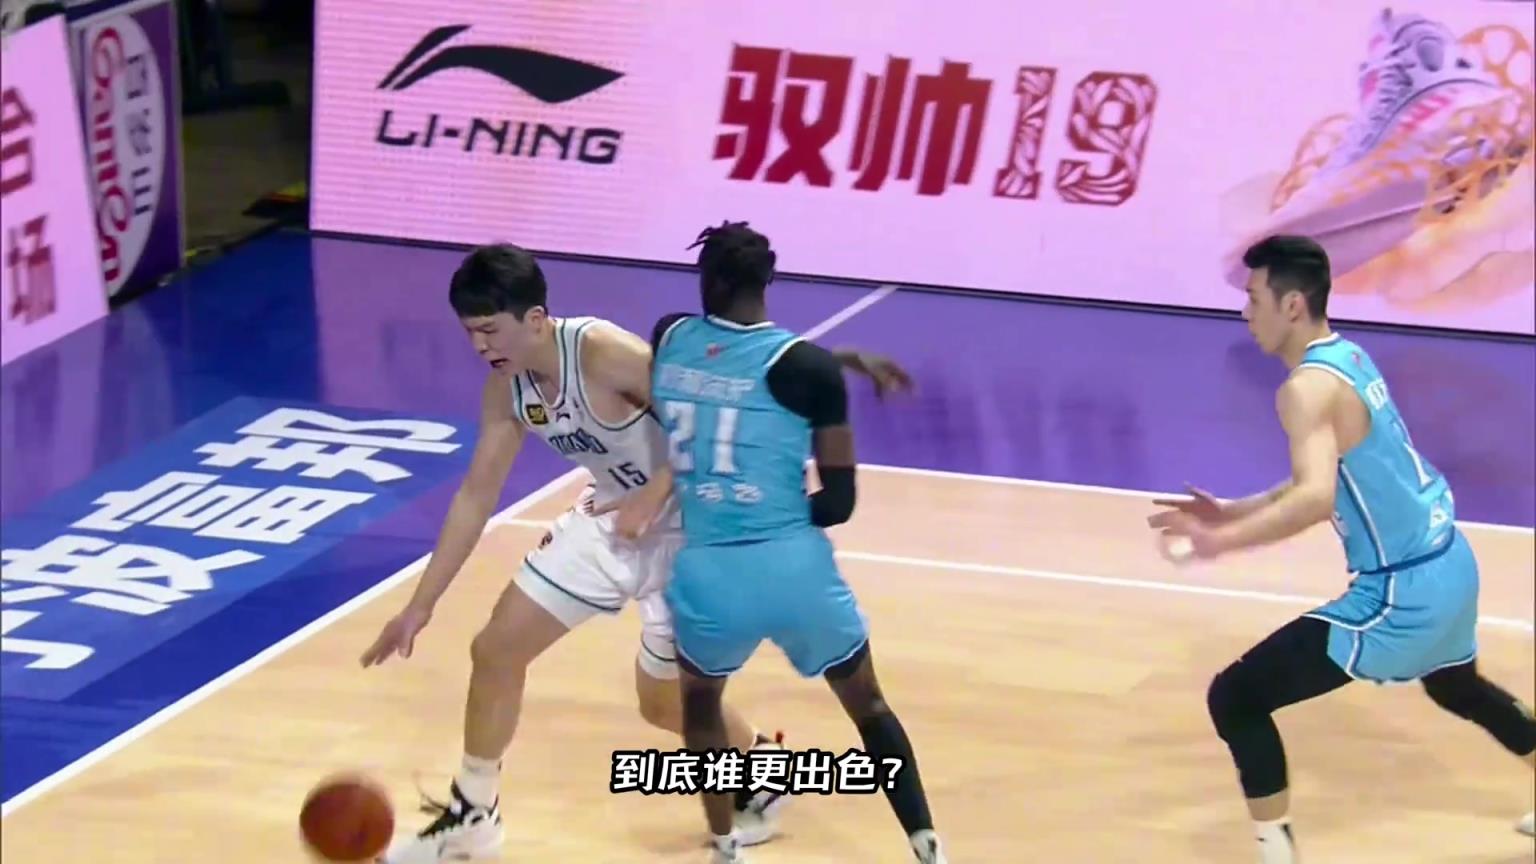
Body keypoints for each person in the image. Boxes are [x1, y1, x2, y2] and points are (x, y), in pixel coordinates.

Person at [359, 244, 913, 863]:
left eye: (490, 330)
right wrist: (420, 605)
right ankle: (473, 813)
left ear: (535, 319)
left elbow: (710, 413)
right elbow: (474, 497)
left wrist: (654, 491)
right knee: (495, 649)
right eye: (470, 333)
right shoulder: (507, 390)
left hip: (694, 530)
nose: (480, 346)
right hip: (613, 523)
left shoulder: (604, 352)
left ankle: (760, 774)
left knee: (662, 704)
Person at [1149, 234, 1536, 863]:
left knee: (1236, 697)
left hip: (1402, 593)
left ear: (1292, 304)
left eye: (1254, 298)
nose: (1245, 312)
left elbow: (1313, 497)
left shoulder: (1304, 390)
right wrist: (1235, 509)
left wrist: (1220, 541)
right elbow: (1327, 479)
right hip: (1450, 560)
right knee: (1456, 687)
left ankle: (1277, 853)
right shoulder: (1348, 356)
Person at [644, 221, 947, 864]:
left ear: (708, 279)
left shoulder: (668, 335)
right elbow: (838, 504)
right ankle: (926, 845)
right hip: (794, 569)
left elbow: (724, 368)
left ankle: (725, 843)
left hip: (708, 573)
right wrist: (835, 369)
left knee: (701, 703)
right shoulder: (809, 370)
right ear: (768, 280)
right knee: (868, 705)